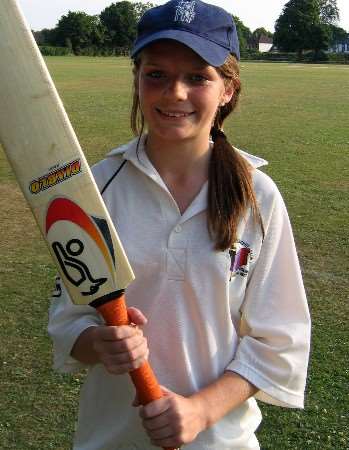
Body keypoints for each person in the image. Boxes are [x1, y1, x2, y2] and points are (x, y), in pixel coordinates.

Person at [48, 1, 311, 449]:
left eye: (197, 76)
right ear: (136, 79)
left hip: (222, 441)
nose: (175, 93)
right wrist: (97, 343)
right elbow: (67, 320)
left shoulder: (258, 196)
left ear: (227, 88)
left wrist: (199, 411)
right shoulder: (94, 190)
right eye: (157, 74)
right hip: (111, 439)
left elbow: (278, 342)